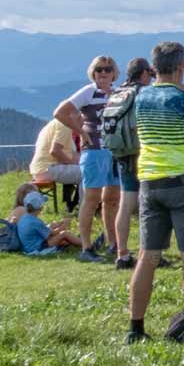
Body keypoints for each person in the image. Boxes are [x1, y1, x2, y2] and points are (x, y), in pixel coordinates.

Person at [122, 41, 184, 341]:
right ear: (182, 66)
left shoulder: (142, 96)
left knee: (147, 256)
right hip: (182, 179)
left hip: (149, 181)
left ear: (152, 69)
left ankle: (135, 329)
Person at [55, 56, 121, 259]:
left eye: (107, 69)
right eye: (99, 69)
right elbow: (60, 112)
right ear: (93, 72)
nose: (103, 73)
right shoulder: (87, 92)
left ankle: (113, 243)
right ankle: (86, 247)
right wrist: (81, 132)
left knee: (112, 199)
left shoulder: (119, 93)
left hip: (116, 152)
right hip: (93, 151)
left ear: (114, 73)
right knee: (91, 199)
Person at [108, 57, 154, 270]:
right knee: (147, 204)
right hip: (141, 151)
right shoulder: (143, 93)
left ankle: (122, 253)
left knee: (126, 203)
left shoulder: (118, 92)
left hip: (121, 152)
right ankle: (149, 253)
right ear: (144, 73)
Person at [11, 189, 80, 256]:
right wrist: (64, 225)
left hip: (28, 247)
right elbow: (50, 235)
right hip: (39, 247)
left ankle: (77, 242)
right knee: (64, 234)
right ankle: (85, 245)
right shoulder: (35, 222)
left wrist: (54, 225)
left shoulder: (24, 218)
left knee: (61, 236)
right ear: (40, 207)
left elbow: (42, 231)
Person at [29, 116, 81, 188]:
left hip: (41, 169)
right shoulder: (65, 125)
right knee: (90, 173)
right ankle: (88, 199)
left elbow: (69, 154)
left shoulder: (57, 123)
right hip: (47, 169)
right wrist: (74, 163)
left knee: (90, 170)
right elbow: (55, 151)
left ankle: (87, 198)